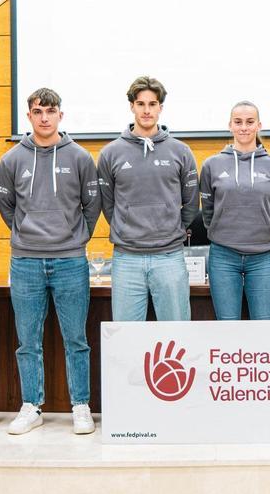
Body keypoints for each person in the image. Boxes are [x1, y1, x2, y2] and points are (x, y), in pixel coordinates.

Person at [0, 88, 101, 435]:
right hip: (26, 261)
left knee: (76, 338)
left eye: (51, 111)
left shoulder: (81, 158)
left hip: (70, 260)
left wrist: (76, 238)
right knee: (28, 340)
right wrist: (27, 234)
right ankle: (31, 406)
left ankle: (81, 405)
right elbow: (7, 207)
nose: (44, 117)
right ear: (28, 116)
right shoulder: (12, 159)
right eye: (38, 111)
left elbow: (92, 206)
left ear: (61, 115)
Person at [98, 76, 199, 321]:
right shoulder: (110, 153)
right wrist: (126, 228)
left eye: (152, 104)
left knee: (177, 336)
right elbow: (108, 203)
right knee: (126, 338)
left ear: (160, 108)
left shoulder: (181, 151)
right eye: (141, 104)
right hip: (126, 258)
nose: (146, 110)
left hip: (170, 257)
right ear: (132, 106)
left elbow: (191, 202)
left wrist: (171, 228)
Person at [200, 101, 270, 320]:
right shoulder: (212, 165)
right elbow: (208, 211)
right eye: (238, 122)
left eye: (250, 122)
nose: (244, 127)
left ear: (259, 125)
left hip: (263, 257)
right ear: (230, 125)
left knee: (264, 327)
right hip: (223, 257)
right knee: (228, 327)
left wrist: (263, 231)